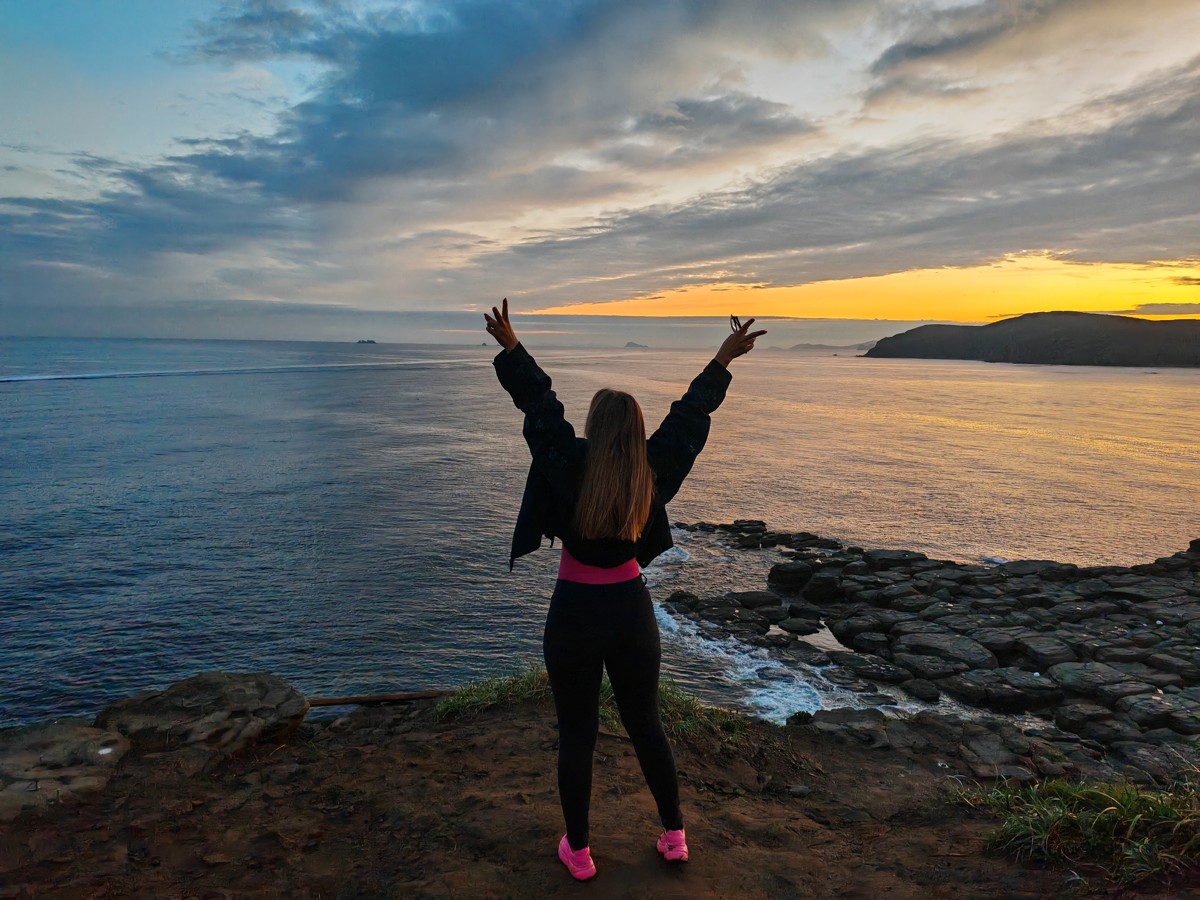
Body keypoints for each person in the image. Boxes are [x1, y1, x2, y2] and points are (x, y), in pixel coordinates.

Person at [484, 298, 765, 882]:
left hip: (575, 615)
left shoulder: (567, 462)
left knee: (577, 736)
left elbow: (539, 406)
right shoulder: (652, 469)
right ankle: (674, 835)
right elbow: (689, 417)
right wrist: (722, 357)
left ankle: (580, 853)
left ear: (592, 428)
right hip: (631, 613)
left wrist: (512, 348)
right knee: (647, 726)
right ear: (636, 432)